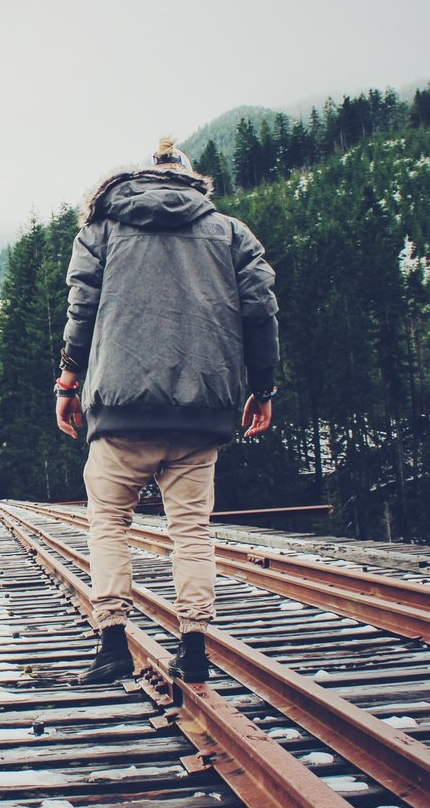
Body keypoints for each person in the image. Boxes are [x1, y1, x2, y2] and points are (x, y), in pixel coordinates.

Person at [56, 136, 279, 684]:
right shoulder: (230, 233)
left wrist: (68, 379)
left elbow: (81, 308)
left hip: (120, 410)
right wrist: (264, 388)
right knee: (192, 530)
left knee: (108, 523)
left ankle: (112, 645)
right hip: (201, 411)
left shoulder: (101, 230)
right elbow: (260, 314)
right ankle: (195, 647)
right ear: (192, 181)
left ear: (141, 177)